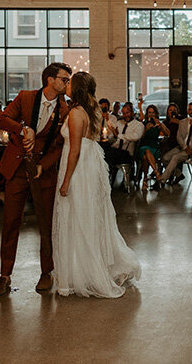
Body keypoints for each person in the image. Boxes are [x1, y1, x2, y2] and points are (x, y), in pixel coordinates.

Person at [53, 71, 140, 297]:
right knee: (90, 215)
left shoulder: (75, 114)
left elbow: (74, 150)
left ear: (78, 88)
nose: (67, 85)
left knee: (77, 216)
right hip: (91, 166)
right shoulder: (92, 111)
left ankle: (82, 273)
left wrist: (65, 181)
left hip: (79, 168)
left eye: (70, 83)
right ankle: (91, 266)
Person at [0, 62, 71, 297]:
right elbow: (2, 120)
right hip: (17, 168)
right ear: (50, 80)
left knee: (46, 223)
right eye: (64, 79)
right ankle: (5, 275)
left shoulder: (65, 110)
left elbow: (60, 146)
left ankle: (47, 272)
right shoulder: (25, 97)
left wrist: (43, 166)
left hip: (43, 172)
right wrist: (24, 128)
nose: (67, 83)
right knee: (11, 221)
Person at [161, 102, 192, 184]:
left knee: (175, 157)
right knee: (165, 158)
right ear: (187, 111)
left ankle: (161, 180)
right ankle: (178, 174)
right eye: (190, 109)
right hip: (182, 147)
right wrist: (185, 147)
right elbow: (179, 137)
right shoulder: (183, 122)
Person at [137, 104, 170, 189]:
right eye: (149, 112)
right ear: (147, 114)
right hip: (143, 146)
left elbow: (168, 134)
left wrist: (161, 125)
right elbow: (139, 137)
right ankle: (156, 173)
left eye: (153, 112)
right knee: (146, 150)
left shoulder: (158, 124)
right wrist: (146, 129)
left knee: (145, 157)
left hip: (155, 148)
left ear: (155, 114)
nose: (151, 114)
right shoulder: (143, 123)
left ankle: (145, 179)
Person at [103, 102, 144, 169]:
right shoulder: (119, 123)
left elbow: (135, 137)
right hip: (115, 149)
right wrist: (113, 135)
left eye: (127, 113)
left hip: (127, 153)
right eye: (124, 113)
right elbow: (112, 139)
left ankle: (108, 177)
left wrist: (119, 135)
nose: (125, 115)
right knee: (101, 152)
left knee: (107, 156)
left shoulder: (138, 125)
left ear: (132, 112)